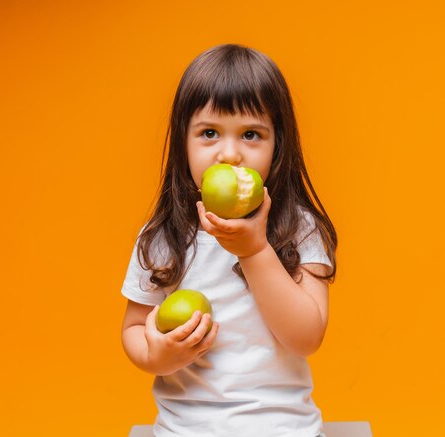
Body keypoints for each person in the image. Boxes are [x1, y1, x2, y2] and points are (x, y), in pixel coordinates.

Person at [120, 43, 338, 437]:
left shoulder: (299, 229)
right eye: (209, 133)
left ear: (278, 145)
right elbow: (134, 328)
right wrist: (158, 353)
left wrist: (255, 251)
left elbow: (306, 337)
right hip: (183, 430)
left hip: (285, 430)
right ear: (183, 143)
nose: (230, 154)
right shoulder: (165, 235)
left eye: (251, 134)